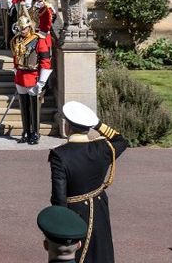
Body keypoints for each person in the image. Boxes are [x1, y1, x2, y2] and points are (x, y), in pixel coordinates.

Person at [48, 101, 129, 263]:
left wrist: (60, 229)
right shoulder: (102, 148)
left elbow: (59, 197)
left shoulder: (60, 155)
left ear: (67, 128)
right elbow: (121, 140)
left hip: (74, 213)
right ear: (88, 127)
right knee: (101, 252)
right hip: (99, 207)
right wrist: (98, 124)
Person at [12, 11, 53, 145]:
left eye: (24, 28)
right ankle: (26, 131)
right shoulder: (17, 39)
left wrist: (42, 81)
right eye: (20, 28)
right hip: (20, 75)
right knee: (23, 106)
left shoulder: (38, 39)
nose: (22, 30)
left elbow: (45, 61)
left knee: (34, 107)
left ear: (29, 27)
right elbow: (16, 57)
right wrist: (15, 71)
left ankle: (35, 132)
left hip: (33, 75)